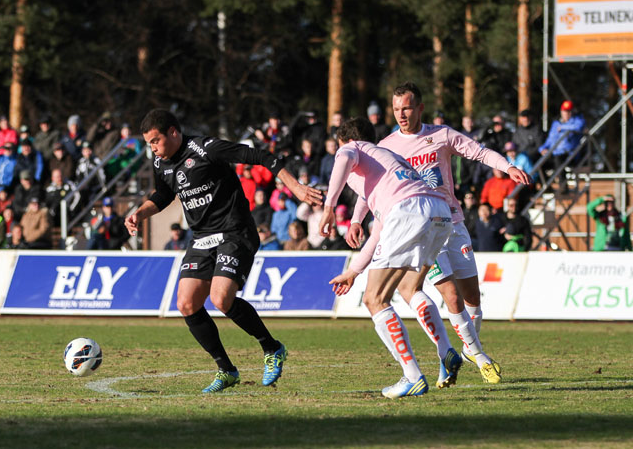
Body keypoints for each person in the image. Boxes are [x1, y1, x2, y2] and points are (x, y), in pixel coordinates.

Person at [125, 108, 322, 393]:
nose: (152, 148)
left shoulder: (206, 148)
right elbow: (163, 194)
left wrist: (296, 188)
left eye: (155, 140)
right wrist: (139, 214)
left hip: (234, 231)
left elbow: (262, 156)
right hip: (202, 237)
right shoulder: (161, 162)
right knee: (186, 303)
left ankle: (272, 348)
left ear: (173, 132)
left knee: (220, 297)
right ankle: (226, 370)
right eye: (148, 143)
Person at [377, 82, 531, 384]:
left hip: (454, 224)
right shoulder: (386, 147)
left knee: (472, 299)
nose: (401, 114)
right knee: (451, 296)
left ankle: (460, 354)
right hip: (422, 231)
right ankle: (478, 354)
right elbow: (375, 188)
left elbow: (479, 152)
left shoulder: (441, 136)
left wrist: (508, 165)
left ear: (420, 108)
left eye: (406, 108)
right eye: (396, 109)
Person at [322, 118, 454, 399]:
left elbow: (345, 155)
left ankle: (412, 376)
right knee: (409, 288)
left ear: (346, 140)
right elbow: (381, 232)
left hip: (410, 211)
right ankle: (445, 351)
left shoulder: (353, 148)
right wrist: (354, 271)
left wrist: (329, 207)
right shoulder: (389, 161)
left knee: (374, 299)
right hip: (438, 213)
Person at [539, 100, 586, 194]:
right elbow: (550, 139)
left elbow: (579, 127)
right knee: (540, 163)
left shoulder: (577, 121)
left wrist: (563, 128)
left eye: (569, 111)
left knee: (558, 161)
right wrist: (542, 148)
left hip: (570, 154)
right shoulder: (556, 124)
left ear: (572, 112)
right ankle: (546, 187)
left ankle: (563, 188)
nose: (566, 113)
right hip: (555, 152)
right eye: (564, 111)